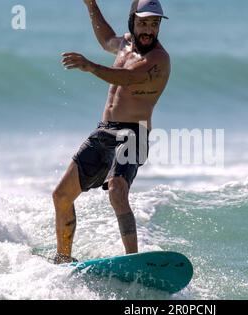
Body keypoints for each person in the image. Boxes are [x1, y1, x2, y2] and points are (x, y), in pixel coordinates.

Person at [52, 0, 171, 264]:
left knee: (117, 189)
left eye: (154, 24)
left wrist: (90, 66)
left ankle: (133, 260)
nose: (148, 30)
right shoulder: (126, 44)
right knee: (61, 195)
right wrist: (91, 4)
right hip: (104, 131)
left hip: (134, 134)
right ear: (132, 21)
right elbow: (106, 39)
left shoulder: (158, 60)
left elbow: (126, 78)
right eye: (143, 23)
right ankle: (63, 259)